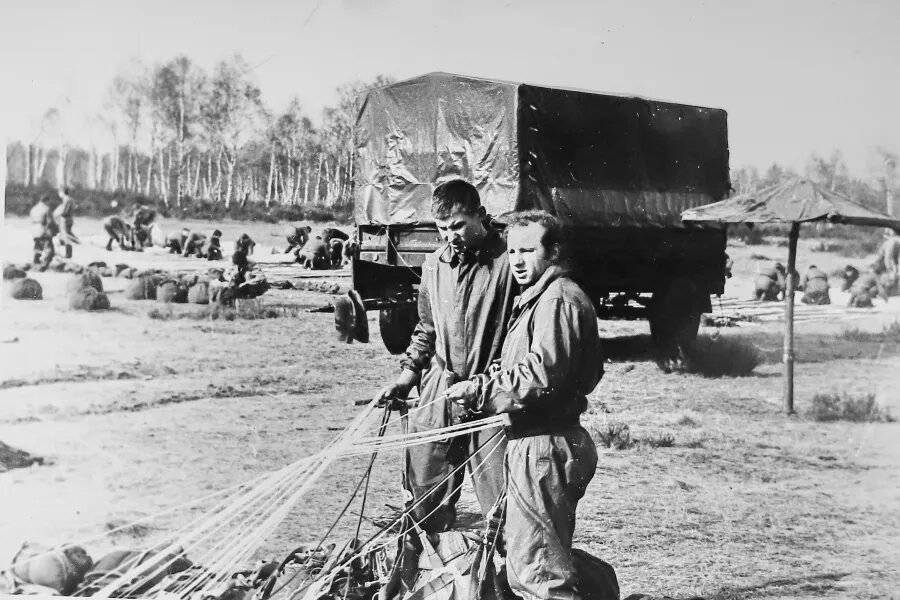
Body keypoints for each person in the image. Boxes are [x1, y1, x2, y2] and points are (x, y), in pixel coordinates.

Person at [443, 210, 602, 600]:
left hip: (543, 446)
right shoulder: (540, 299)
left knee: (539, 576)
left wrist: (482, 391)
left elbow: (542, 375)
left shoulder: (558, 299)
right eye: (512, 251)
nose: (516, 260)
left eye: (528, 250)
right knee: (529, 564)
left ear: (554, 251)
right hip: (533, 442)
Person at [372, 179, 517, 581]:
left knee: (503, 503)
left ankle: (504, 582)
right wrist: (406, 378)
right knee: (425, 492)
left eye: (457, 226)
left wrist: (494, 383)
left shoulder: (510, 262)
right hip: (440, 391)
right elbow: (426, 328)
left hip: (491, 393)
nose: (450, 236)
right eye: (442, 228)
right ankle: (428, 581)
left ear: (480, 216)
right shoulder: (435, 265)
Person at [30, 194, 58, 269]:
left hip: (34, 231)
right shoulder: (46, 209)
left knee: (38, 247)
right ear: (46, 201)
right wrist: (56, 229)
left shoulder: (34, 209)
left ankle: (35, 263)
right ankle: (44, 265)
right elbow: (50, 222)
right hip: (43, 230)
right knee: (50, 250)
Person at [54, 188, 78, 259]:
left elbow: (66, 211)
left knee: (67, 237)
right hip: (68, 220)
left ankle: (68, 254)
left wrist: (58, 214)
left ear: (63, 193)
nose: (59, 194)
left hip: (66, 220)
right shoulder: (69, 200)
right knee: (66, 235)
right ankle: (65, 248)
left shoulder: (67, 200)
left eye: (60, 192)